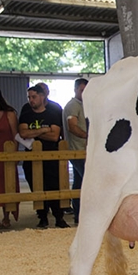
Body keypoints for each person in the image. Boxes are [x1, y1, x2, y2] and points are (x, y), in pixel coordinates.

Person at [18, 84, 69, 229]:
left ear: (42, 96)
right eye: (29, 97)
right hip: (31, 156)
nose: (31, 100)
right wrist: (43, 129)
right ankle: (42, 217)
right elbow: (23, 133)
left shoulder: (53, 111)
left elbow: (54, 136)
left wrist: (33, 131)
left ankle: (59, 217)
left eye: (34, 97)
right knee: (36, 186)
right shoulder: (26, 111)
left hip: (51, 154)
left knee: (54, 185)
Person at [63, 78, 88, 224]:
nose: (84, 93)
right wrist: (88, 136)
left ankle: (79, 215)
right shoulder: (73, 106)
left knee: (79, 182)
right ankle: (80, 214)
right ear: (75, 89)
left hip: (83, 149)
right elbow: (72, 127)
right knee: (85, 181)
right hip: (76, 149)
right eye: (82, 91)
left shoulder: (84, 105)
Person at [0, 86, 20, 229]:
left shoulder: (9, 114)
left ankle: (6, 216)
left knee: (7, 184)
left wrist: (15, 153)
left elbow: (15, 134)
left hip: (7, 153)